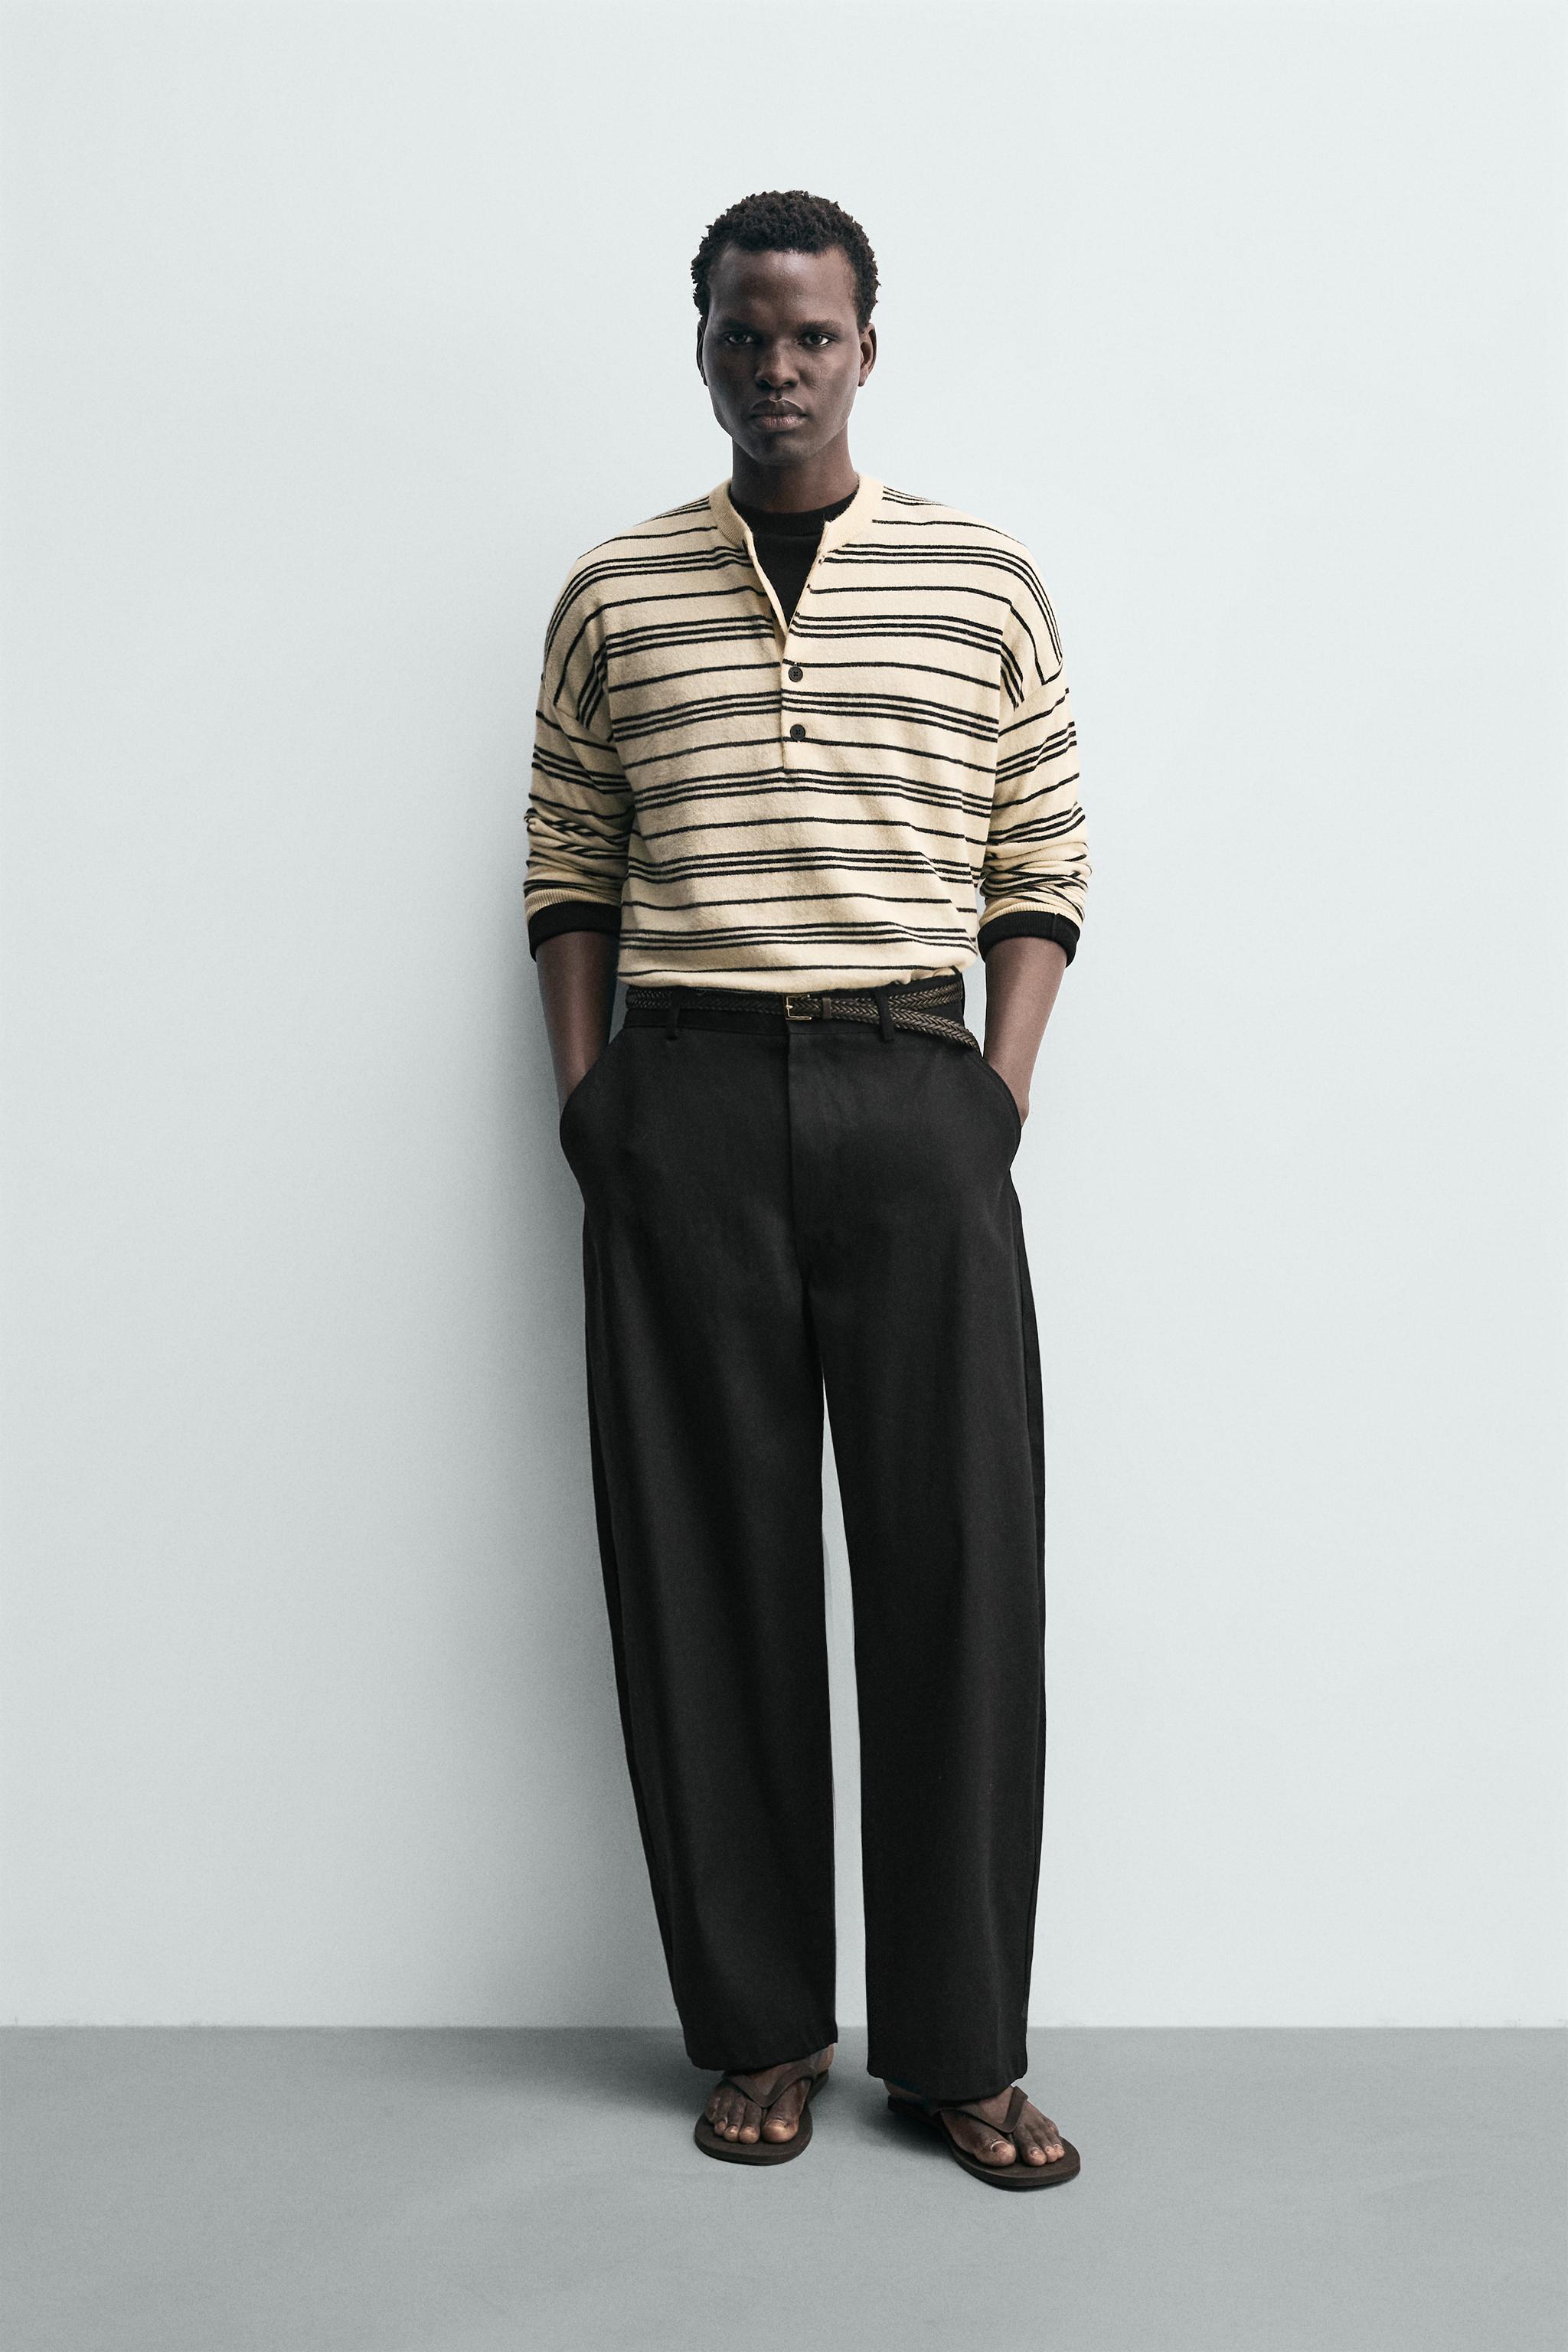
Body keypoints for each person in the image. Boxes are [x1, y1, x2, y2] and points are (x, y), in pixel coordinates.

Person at [524, 190, 1089, 2188]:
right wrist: (593, 1108)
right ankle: (760, 2031)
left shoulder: (980, 580)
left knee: (957, 1572)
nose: (779, 367)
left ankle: (962, 2052)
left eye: (813, 335)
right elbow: (569, 860)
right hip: (681, 1101)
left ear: (867, 346)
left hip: (915, 1094)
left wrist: (992, 1100)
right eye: (744, 334)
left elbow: (1042, 855)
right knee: (708, 1573)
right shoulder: (615, 591)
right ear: (700, 344)